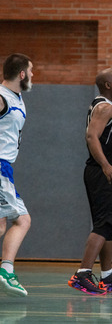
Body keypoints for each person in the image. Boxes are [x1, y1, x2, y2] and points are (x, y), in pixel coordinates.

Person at [68, 68, 112, 295]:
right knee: (104, 224)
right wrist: (106, 165)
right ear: (107, 85)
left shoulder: (103, 106)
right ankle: (82, 274)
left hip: (106, 173)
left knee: (108, 224)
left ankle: (107, 276)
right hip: (103, 173)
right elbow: (91, 136)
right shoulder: (105, 107)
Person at [0, 53, 34, 297]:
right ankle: (6, 271)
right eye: (31, 70)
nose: (33, 75)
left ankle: (6, 270)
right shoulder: (1, 97)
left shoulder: (16, 98)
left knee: (9, 222)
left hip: (6, 168)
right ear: (22, 74)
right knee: (20, 220)